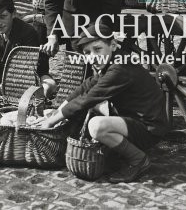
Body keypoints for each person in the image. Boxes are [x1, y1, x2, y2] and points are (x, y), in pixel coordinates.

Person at [39, 24, 169, 183]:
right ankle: (117, 148)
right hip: (134, 117)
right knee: (91, 108)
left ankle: (138, 159)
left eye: (97, 49)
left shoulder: (119, 68)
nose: (92, 56)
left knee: (96, 126)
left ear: (113, 45)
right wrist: (57, 110)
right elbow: (85, 86)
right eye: (87, 52)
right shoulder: (114, 60)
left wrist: (50, 121)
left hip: (149, 128)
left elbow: (87, 99)